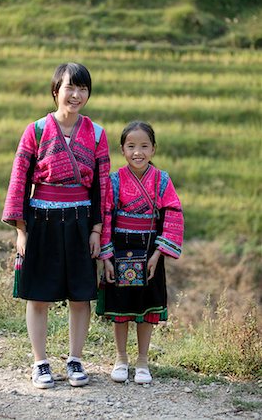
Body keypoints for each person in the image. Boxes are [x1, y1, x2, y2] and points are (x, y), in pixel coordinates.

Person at [2, 63, 110, 389]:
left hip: (80, 220)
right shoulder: (35, 130)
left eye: (82, 89)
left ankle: (76, 359)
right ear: (55, 90)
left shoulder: (98, 134)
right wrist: (21, 229)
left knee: (81, 295)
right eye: (69, 88)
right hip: (41, 220)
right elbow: (19, 180)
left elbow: (101, 187)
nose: (76, 95)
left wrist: (96, 230)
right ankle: (40, 363)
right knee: (39, 295)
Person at [96, 121, 184, 384]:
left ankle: (143, 361)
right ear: (122, 150)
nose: (138, 152)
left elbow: (173, 214)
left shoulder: (162, 180)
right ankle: (121, 358)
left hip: (149, 252)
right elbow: (106, 217)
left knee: (146, 307)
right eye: (131, 146)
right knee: (121, 307)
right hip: (121, 249)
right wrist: (107, 257)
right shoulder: (114, 180)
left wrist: (158, 254)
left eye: (144, 146)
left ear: (153, 149)